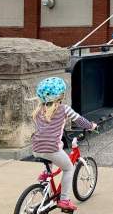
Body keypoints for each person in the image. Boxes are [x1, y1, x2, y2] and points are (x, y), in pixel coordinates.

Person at [31, 77, 97, 212]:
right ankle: (64, 200)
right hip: (52, 148)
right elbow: (80, 120)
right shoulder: (64, 109)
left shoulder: (38, 111)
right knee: (68, 168)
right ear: (61, 95)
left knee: (49, 157)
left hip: (36, 148)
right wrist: (91, 126)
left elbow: (44, 131)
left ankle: (45, 176)